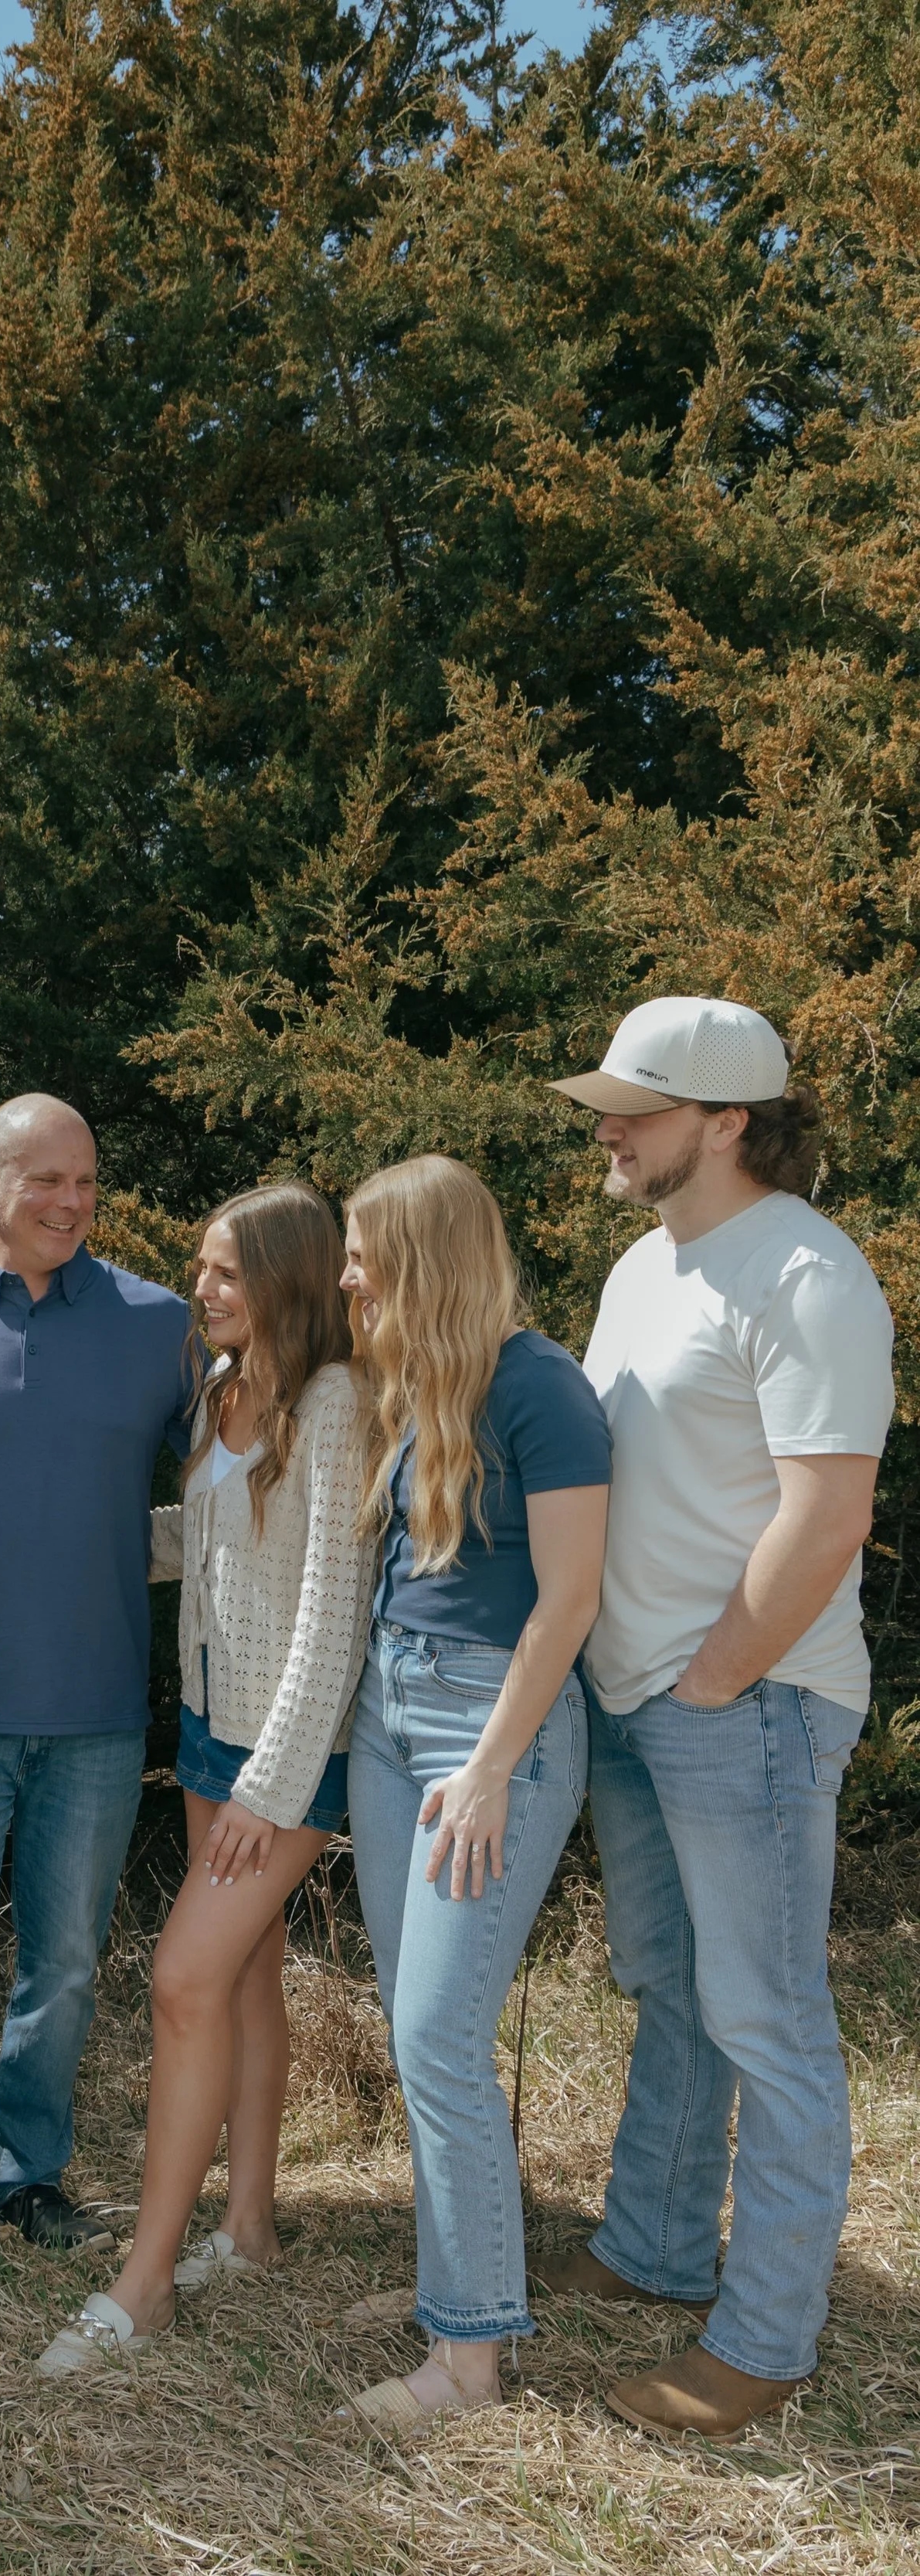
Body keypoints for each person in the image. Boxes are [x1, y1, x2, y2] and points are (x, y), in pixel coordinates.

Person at [534, 996, 894, 2436]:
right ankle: (657, 2250)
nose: (608, 1126)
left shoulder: (807, 1272)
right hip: (645, 1701)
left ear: (729, 1121)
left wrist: (715, 1678)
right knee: (672, 1992)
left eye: (636, 1104)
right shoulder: (644, 1266)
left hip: (744, 1707)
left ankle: (767, 2338)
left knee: (770, 2019)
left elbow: (827, 1517)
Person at [36, 1183, 375, 2374]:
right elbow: (204, 1540)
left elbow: (334, 1618)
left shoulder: (337, 1405)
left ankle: (146, 2280)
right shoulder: (225, 1393)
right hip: (209, 1722)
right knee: (240, 1982)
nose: (203, 1287)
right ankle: (249, 2228)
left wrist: (268, 1790)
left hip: (284, 1751)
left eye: (226, 1271)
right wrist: (61, 1536)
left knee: (180, 1982)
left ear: (286, 1273)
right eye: (200, 1267)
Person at [0, 1094, 193, 2268]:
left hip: (101, 1713)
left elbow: (238, 1477)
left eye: (87, 1183)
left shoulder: (156, 1324)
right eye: (43, 1181)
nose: (69, 1203)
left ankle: (30, 2178)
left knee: (63, 1970)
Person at [338, 1155, 611, 2435]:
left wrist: (494, 1769)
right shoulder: (423, 1386)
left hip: (486, 1729)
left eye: (364, 1252)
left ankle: (467, 2370)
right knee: (419, 2027)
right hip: (394, 1717)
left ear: (424, 1257)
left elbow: (571, 1598)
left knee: (438, 2036)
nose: (348, 1275)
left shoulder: (543, 1387)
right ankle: (459, 2290)